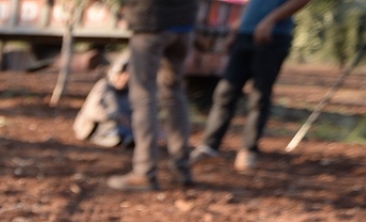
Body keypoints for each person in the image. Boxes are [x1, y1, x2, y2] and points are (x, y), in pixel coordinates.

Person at [190, 0, 314, 174]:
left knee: (259, 95)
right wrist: (235, 30)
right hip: (244, 34)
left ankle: (249, 150)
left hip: (272, 36)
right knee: (225, 91)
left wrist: (270, 20)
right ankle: (209, 146)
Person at [107, 0, 198, 191]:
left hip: (151, 22)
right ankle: (181, 168)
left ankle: (144, 171)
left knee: (143, 95)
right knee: (174, 92)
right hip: (184, 25)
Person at [73, 51, 135, 149]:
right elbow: (92, 111)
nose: (125, 78)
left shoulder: (129, 91)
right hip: (96, 128)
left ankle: (127, 137)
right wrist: (117, 116)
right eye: (123, 74)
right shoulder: (104, 87)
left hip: (121, 127)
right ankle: (118, 136)